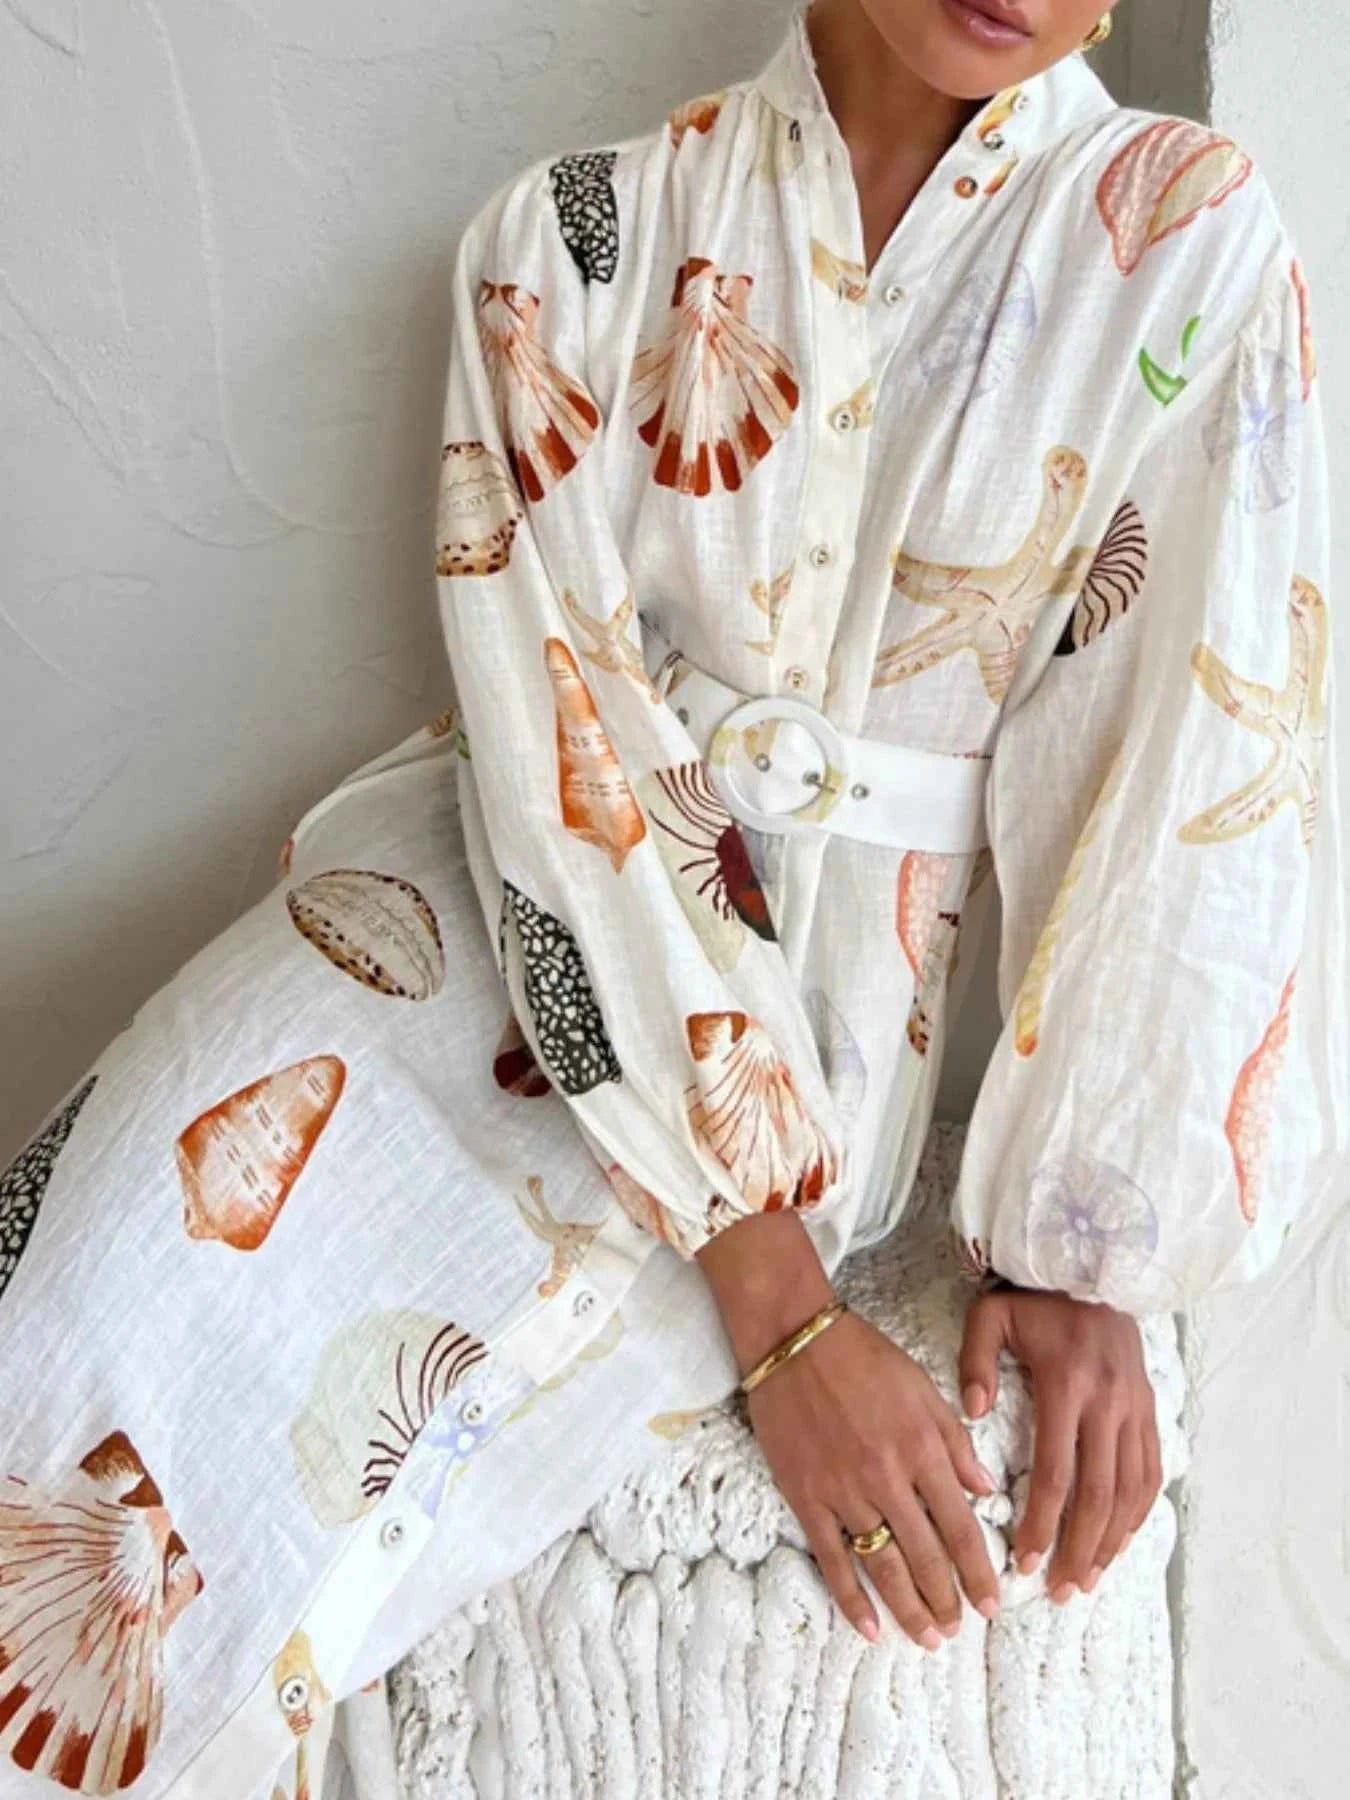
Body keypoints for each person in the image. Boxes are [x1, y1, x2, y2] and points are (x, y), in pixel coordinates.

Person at [0, 0, 1343, 1795]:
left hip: (809, 1041)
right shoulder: (565, 238)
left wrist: (1085, 1248)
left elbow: (1195, 764)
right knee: (68, 1290)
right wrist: (781, 1316)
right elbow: (545, 733)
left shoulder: (1180, 234)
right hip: (470, 912)